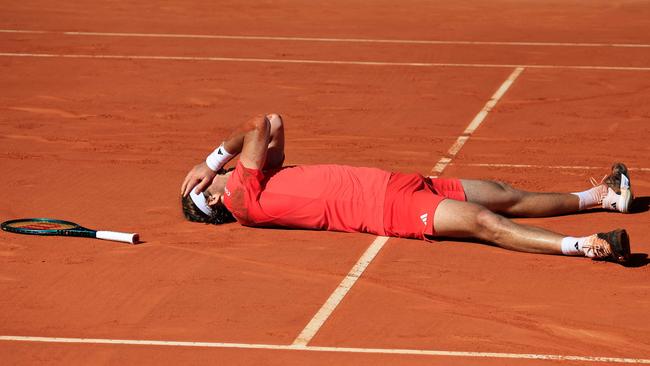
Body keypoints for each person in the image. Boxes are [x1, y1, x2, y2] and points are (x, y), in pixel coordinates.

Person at [181, 114, 634, 264]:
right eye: (208, 184)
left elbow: (274, 122)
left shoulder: (259, 180)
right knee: (485, 223)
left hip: (400, 184)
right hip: (386, 209)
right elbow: (257, 124)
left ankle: (602, 198)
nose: (213, 177)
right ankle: (588, 246)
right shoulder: (242, 197)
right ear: (216, 196)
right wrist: (211, 160)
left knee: (504, 192)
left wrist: (216, 164)